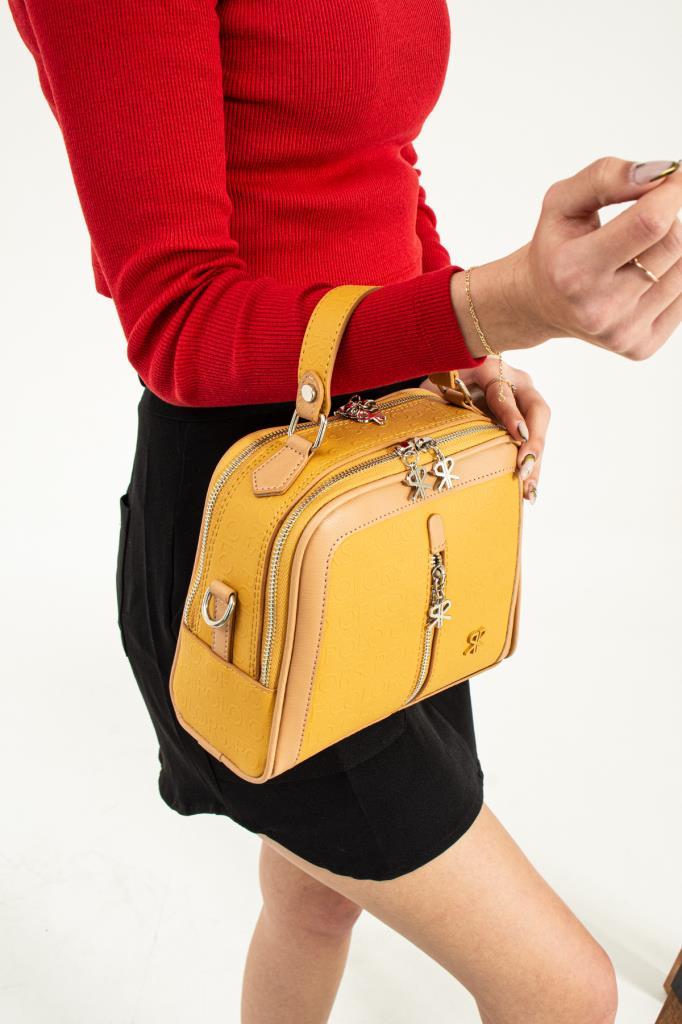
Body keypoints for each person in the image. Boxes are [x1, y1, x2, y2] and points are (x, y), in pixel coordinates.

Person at [8, 1, 680, 1020]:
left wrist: (461, 339)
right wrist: (493, 302)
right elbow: (179, 319)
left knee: (317, 901)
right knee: (565, 993)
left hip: (383, 494)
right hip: (259, 535)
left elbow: (377, 160)